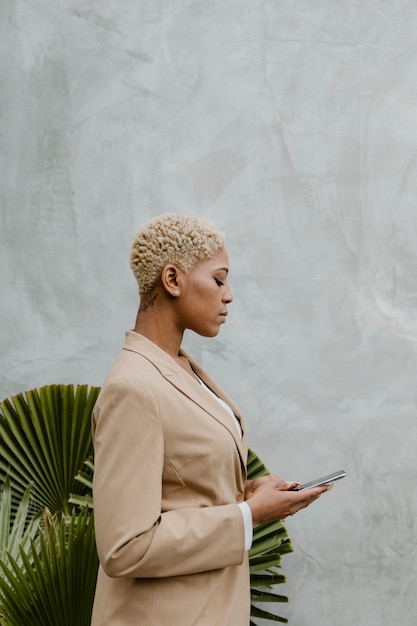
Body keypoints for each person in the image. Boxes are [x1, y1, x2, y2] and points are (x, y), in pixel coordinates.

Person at [91, 213, 330, 626]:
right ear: (172, 280)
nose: (229, 295)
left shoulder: (182, 370)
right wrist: (249, 515)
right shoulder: (132, 388)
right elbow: (124, 546)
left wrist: (249, 492)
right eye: (219, 280)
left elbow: (183, 487)